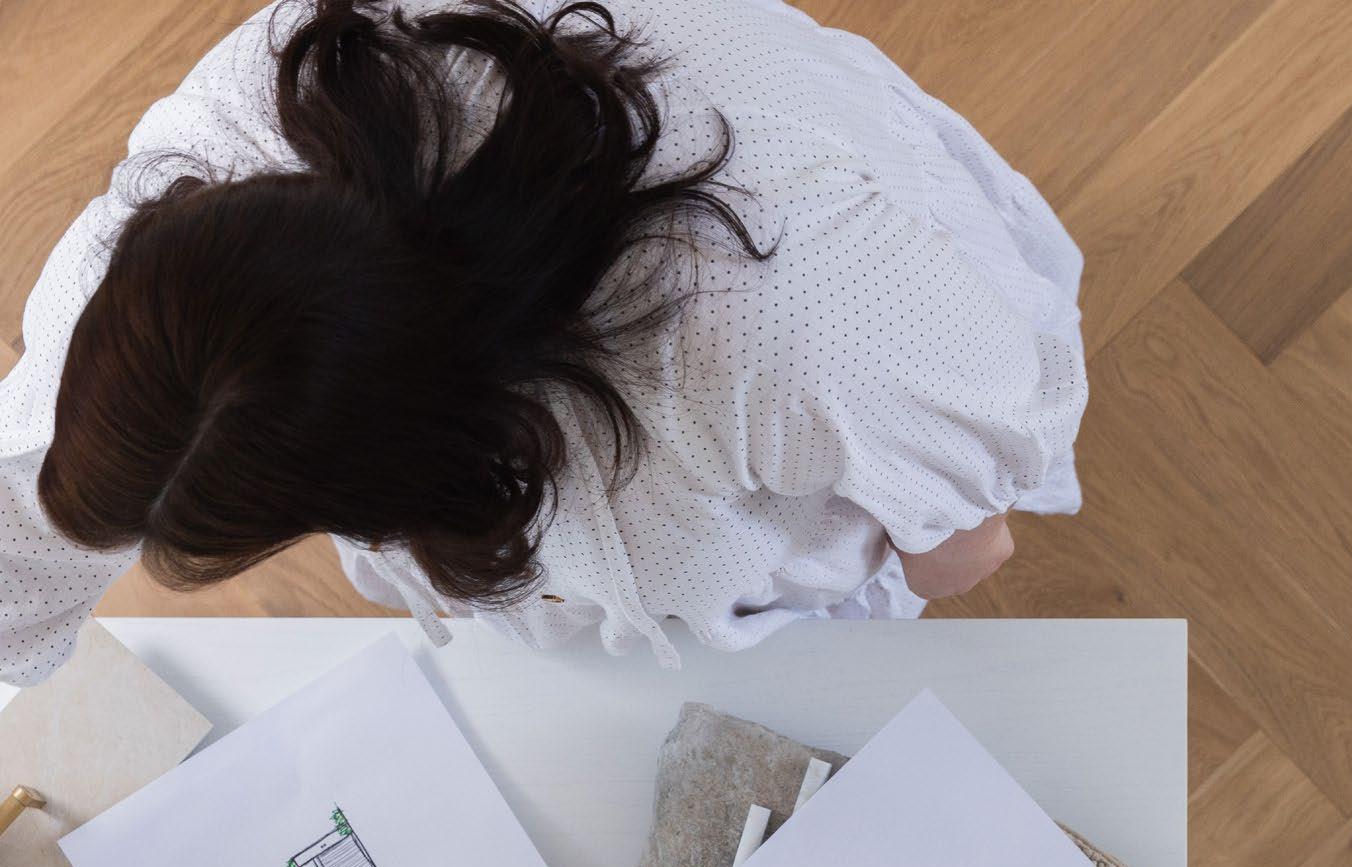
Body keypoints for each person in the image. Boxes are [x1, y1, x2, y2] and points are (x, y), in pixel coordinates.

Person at [0, 0, 1085, 687]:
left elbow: (965, 545)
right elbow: (36, 506)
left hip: (823, 374)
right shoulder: (220, 165)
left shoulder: (807, 329)